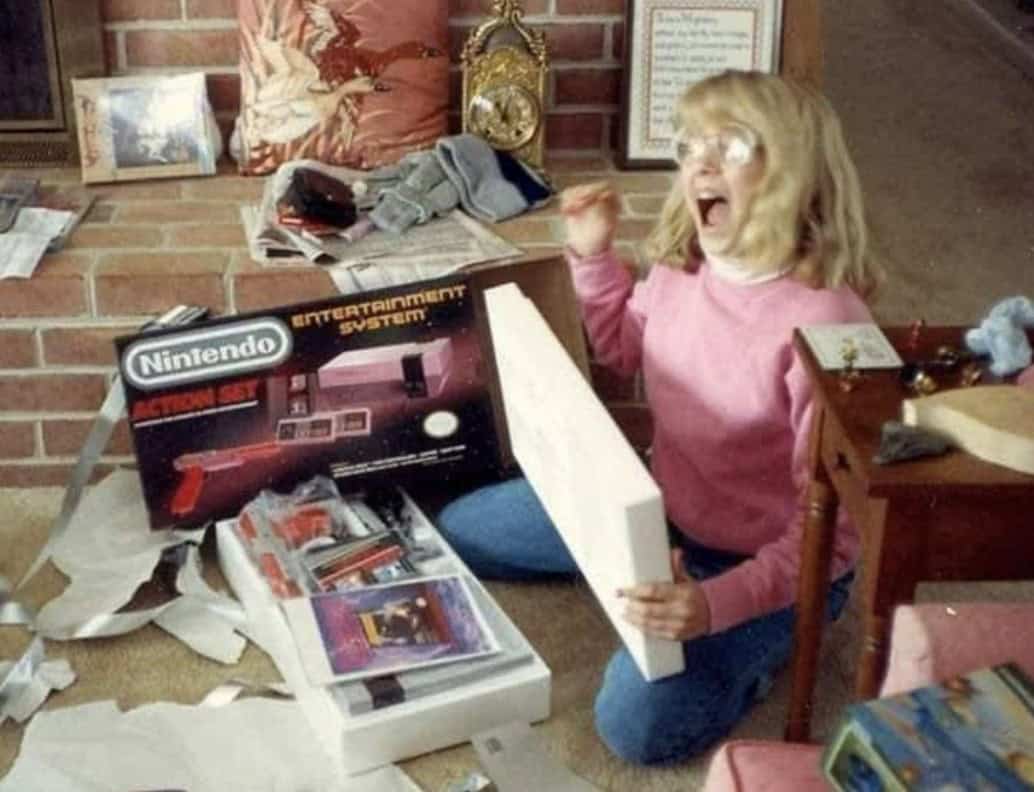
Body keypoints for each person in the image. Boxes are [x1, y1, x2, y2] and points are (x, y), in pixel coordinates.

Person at [437, 69, 884, 765]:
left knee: (636, 726)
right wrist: (592, 255)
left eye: (730, 146)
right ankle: (642, 587)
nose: (699, 163)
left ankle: (756, 655)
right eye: (689, 145)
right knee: (460, 533)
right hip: (659, 516)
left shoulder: (829, 327)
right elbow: (621, 345)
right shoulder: (682, 269)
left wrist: (712, 606)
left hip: (768, 565)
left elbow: (836, 540)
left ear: (796, 170)